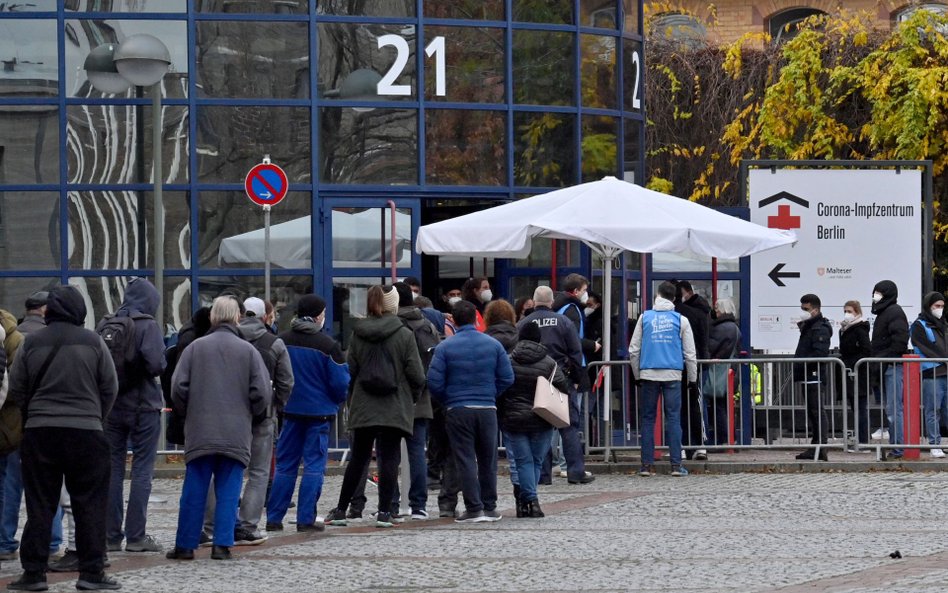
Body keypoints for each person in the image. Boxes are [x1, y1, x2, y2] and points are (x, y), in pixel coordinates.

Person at [8, 285, 119, 591]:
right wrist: (96, 417)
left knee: (40, 504)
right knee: (90, 504)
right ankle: (91, 573)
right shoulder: (94, 342)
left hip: (41, 432)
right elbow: (110, 387)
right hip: (86, 432)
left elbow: (17, 387)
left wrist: (34, 414)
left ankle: (33, 573)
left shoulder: (31, 343)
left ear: (49, 310)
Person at [166, 296, 271, 562]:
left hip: (200, 428)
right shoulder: (248, 351)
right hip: (236, 430)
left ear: (213, 317)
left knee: (194, 487)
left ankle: (185, 546)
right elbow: (261, 392)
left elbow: (178, 387)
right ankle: (223, 545)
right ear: (237, 317)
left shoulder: (195, 348)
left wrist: (188, 411)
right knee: (229, 488)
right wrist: (252, 414)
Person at [323, 285, 425, 528]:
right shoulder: (404, 334)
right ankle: (384, 512)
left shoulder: (358, 333)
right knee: (389, 459)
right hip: (394, 404)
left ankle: (341, 509)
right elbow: (417, 374)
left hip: (364, 404)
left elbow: (351, 370)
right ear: (394, 305)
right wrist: (411, 396)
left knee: (358, 458)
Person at [266, 294, 348, 532]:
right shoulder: (328, 345)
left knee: (285, 465)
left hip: (290, 412)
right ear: (316, 316)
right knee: (313, 466)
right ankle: (305, 518)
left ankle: (274, 517)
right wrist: (334, 401)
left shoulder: (282, 341)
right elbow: (340, 383)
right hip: (319, 413)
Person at [428, 300, 514, 523]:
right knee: (488, 459)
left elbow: (434, 381)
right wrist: (491, 394)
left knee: (465, 458)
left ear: (454, 320)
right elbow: (507, 377)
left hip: (458, 408)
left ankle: (473, 508)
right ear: (475, 319)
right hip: (487, 408)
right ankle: (490, 506)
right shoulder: (493, 345)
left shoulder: (445, 346)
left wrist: (449, 398)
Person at [217, 297, 294, 543]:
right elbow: (286, 381)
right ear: (265, 317)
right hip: (263, 415)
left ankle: (218, 523)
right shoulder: (274, 343)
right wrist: (276, 405)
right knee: (259, 472)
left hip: (231, 414)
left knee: (227, 470)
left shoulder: (227, 340)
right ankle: (248, 525)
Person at [102, 278, 167, 554]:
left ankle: (111, 536)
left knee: (113, 470)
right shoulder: (148, 325)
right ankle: (137, 537)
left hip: (112, 407)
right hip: (144, 407)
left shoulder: (107, 323)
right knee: (142, 469)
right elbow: (156, 365)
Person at [0, 298, 64, 567]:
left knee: (9, 485)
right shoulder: (25, 340)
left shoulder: (19, 337)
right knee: (47, 484)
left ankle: (5, 542)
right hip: (32, 421)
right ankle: (51, 541)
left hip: (11, 424)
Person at [519, 286, 594, 485]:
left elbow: (517, 351)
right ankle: (575, 471)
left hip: (533, 381)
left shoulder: (524, 323)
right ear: (552, 302)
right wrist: (578, 378)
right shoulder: (564, 322)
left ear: (534, 302)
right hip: (561, 378)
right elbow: (576, 353)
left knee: (539, 427)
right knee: (568, 427)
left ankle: (543, 475)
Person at [499, 322, 568, 518]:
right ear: (539, 339)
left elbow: (500, 388)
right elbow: (563, 388)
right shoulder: (550, 363)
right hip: (542, 417)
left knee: (522, 462)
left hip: (513, 419)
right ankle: (532, 500)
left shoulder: (508, 360)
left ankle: (525, 502)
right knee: (536, 461)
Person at [629, 281, 697, 477]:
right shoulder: (681, 320)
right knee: (674, 418)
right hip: (673, 373)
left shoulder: (644, 318)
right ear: (674, 298)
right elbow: (690, 354)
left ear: (657, 295)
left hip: (649, 373)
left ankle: (646, 466)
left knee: (648, 419)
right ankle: (676, 465)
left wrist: (637, 375)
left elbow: (633, 350)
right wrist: (692, 379)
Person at [870, 280, 909, 460]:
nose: (875, 295)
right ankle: (896, 447)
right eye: (875, 292)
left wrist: (882, 357)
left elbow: (900, 341)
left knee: (894, 410)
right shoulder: (885, 313)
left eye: (879, 292)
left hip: (891, 366)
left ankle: (898, 448)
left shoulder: (893, 311)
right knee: (891, 409)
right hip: (885, 366)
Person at [675, 280, 712, 461]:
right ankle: (698, 445)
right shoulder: (699, 312)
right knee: (696, 404)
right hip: (695, 363)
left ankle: (684, 445)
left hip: (683, 364)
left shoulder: (684, 314)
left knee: (681, 407)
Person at [794, 294, 833, 461]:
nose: (803, 312)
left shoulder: (820, 328)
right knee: (812, 411)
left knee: (817, 411)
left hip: (814, 374)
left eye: (806, 309)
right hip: (807, 374)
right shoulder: (809, 326)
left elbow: (820, 352)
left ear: (815, 310)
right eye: (802, 308)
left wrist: (805, 362)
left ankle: (821, 446)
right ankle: (815, 445)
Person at [911, 292, 948, 458]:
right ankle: (934, 444)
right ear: (928, 306)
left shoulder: (942, 324)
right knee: (933, 409)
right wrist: (943, 358)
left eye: (941, 306)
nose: (939, 309)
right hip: (931, 371)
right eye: (936, 306)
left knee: (944, 410)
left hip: (945, 370)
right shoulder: (920, 325)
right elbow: (925, 347)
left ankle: (940, 442)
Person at [707, 298, 741, 446]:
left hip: (720, 372)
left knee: (719, 407)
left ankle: (724, 439)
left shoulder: (723, 328)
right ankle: (729, 438)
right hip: (728, 371)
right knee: (725, 407)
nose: (715, 311)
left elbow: (711, 347)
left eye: (717, 308)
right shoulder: (733, 327)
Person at [838, 300, 871, 448]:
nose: (847, 314)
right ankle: (859, 439)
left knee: (860, 408)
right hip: (850, 372)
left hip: (858, 373)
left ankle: (863, 441)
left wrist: (854, 362)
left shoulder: (860, 328)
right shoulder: (844, 329)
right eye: (845, 311)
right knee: (854, 407)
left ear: (857, 312)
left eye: (850, 311)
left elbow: (866, 350)